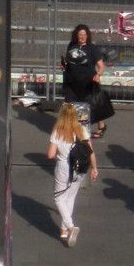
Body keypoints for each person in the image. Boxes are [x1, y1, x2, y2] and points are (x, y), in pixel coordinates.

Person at [47, 102, 97, 246]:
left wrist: (60, 154)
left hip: (63, 166)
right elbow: (90, 151)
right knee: (70, 197)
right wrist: (94, 168)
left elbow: (50, 155)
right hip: (80, 167)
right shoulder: (82, 130)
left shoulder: (58, 131)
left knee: (58, 198)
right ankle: (63, 230)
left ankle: (70, 226)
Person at [60, 24, 105, 131]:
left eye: (84, 34)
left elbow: (101, 66)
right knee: (69, 105)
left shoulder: (92, 48)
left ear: (88, 36)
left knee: (88, 107)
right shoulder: (71, 45)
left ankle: (84, 130)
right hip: (71, 82)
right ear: (76, 35)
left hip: (87, 83)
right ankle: (67, 129)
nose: (82, 36)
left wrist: (98, 75)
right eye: (80, 34)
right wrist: (63, 65)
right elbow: (68, 61)